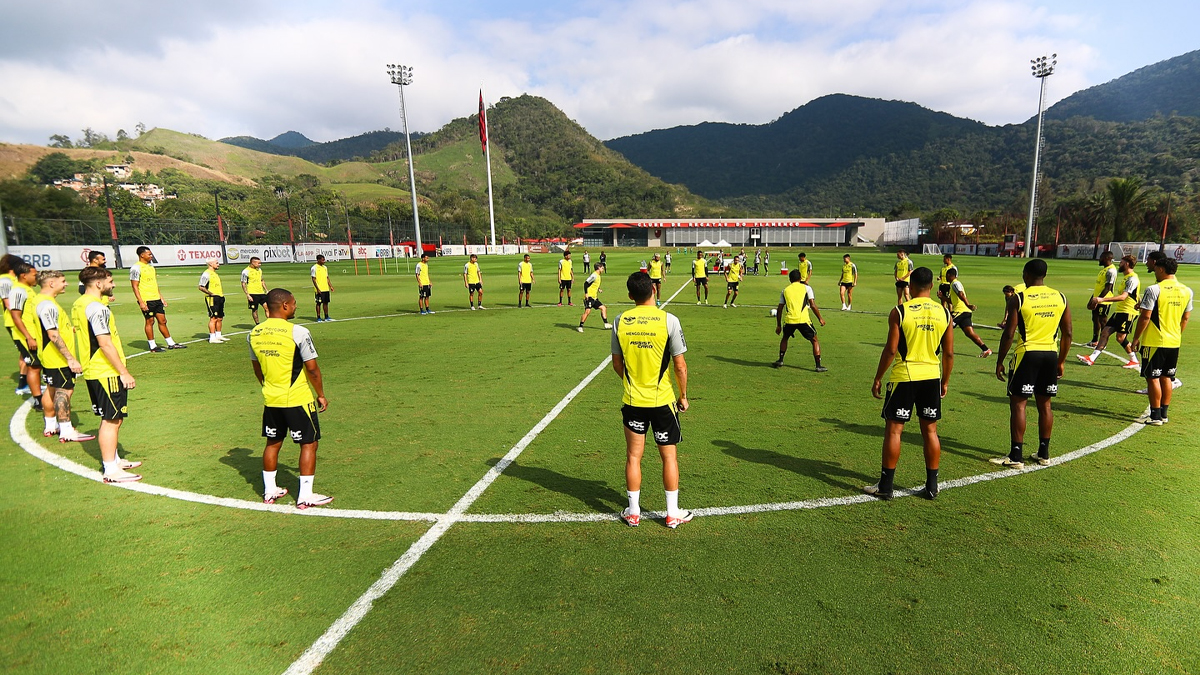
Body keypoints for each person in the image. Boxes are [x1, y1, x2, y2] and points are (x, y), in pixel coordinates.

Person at [611, 272, 691, 528]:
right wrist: (683, 396)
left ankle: (633, 512)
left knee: (633, 457)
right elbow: (680, 366)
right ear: (655, 290)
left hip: (633, 400)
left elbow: (616, 363)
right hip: (662, 402)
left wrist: (632, 383)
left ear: (630, 296)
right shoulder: (669, 321)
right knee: (669, 458)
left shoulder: (619, 321)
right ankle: (672, 513)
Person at [867, 267, 952, 500]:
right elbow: (949, 353)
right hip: (932, 377)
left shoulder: (900, 311)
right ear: (932, 287)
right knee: (930, 431)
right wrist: (944, 381)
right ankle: (932, 486)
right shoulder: (945, 313)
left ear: (910, 287)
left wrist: (877, 377)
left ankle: (886, 486)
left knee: (895, 430)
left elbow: (892, 349)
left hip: (905, 376)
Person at [248, 288, 331, 508]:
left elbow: (257, 369)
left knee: (273, 443)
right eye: (293, 303)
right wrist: (320, 394)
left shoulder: (254, 333)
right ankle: (305, 496)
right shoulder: (298, 332)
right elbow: (312, 369)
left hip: (271, 398)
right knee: (309, 443)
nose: (295, 307)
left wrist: (268, 387)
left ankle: (269, 491)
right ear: (284, 305)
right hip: (297, 399)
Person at [991, 259, 1071, 468]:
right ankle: (1044, 453)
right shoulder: (1060, 297)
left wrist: (999, 361)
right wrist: (1061, 361)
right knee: (1045, 405)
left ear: (1026, 274)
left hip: (1027, 354)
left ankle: (1016, 455)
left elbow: (1009, 334)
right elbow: (1068, 333)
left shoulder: (1019, 298)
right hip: (1050, 354)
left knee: (1019, 404)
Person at [73, 266, 141, 482]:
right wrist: (123, 372)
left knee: (114, 418)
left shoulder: (79, 304)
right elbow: (104, 343)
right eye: (110, 281)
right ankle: (110, 469)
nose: (113, 285)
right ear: (99, 284)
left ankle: (115, 459)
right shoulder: (97, 308)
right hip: (106, 371)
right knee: (111, 419)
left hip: (94, 369)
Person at [34, 270, 96, 443]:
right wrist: (70, 358)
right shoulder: (48, 305)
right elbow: (53, 334)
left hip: (47, 356)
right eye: (62, 281)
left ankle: (50, 425)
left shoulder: (39, 301)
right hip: (57, 358)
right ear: (51, 283)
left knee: (51, 389)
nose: (66, 284)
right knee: (64, 390)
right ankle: (67, 430)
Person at [1130, 257, 1192, 425]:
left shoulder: (1154, 289)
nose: (1155, 271)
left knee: (1152, 378)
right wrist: (1176, 334)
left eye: (1156, 269)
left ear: (1162, 269)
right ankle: (1163, 414)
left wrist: (1136, 339)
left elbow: (1145, 317)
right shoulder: (1187, 291)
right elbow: (1185, 318)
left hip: (1154, 341)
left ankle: (1155, 416)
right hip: (1174, 341)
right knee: (1167, 377)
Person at [1079, 254, 1140, 369]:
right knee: (1105, 332)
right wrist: (1140, 302)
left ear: (1127, 264)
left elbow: (1123, 297)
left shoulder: (1132, 278)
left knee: (1120, 338)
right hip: (1120, 311)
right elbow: (1135, 294)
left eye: (1121, 262)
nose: (1119, 264)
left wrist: (1102, 299)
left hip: (1128, 312)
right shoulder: (1127, 278)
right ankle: (1091, 358)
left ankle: (1134, 360)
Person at [9, 262, 48, 411]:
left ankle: (40, 395)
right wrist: (28, 337)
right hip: (27, 337)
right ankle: (38, 400)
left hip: (35, 334)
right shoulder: (18, 291)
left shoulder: (28, 290)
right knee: (34, 366)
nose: (36, 276)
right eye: (34, 274)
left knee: (38, 365)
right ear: (24, 275)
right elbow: (15, 316)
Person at [130, 246, 185, 352]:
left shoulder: (151, 267)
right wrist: (141, 302)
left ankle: (171, 343)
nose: (151, 256)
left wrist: (161, 298)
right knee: (150, 321)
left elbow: (154, 284)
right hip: (146, 299)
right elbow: (134, 286)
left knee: (163, 320)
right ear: (142, 255)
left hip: (156, 299)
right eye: (149, 254)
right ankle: (152, 346)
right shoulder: (136, 268)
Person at [773, 269, 827, 371]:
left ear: (790, 279)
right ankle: (818, 365)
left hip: (789, 320)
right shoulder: (807, 288)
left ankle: (780, 360)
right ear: (800, 278)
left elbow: (779, 309)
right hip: (803, 320)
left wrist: (779, 325)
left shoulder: (785, 290)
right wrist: (820, 318)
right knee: (814, 340)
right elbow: (813, 305)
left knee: (785, 338)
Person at [0, 254, 31, 395]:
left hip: (17, 321)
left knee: (24, 353)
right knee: (27, 353)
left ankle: (24, 383)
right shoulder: (5, 281)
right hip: (14, 322)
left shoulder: (11, 280)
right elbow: (8, 303)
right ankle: (23, 384)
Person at [945, 268, 992, 357]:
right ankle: (986, 349)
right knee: (969, 333)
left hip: (960, 311)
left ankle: (936, 349)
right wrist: (942, 298)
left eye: (946, 276)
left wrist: (968, 304)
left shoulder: (955, 283)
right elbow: (953, 300)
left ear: (949, 275)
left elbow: (961, 294)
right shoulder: (953, 284)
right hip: (965, 312)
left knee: (945, 326)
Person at [1086, 251, 1118, 347]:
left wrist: (1099, 299)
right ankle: (1095, 340)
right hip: (1097, 298)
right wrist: (1092, 299)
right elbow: (1099, 286)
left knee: (1103, 320)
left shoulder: (1111, 271)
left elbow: (1108, 287)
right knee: (1095, 319)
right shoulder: (1103, 270)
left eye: (1101, 257)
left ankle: (1103, 342)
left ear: (1107, 258)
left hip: (1104, 301)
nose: (1099, 259)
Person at [199, 258, 228, 343]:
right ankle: (212, 337)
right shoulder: (206, 274)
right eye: (217, 263)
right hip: (212, 298)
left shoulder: (214, 273)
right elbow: (201, 286)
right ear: (211, 264)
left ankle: (218, 335)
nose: (218, 264)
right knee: (213, 317)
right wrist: (211, 293)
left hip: (220, 297)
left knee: (220, 317)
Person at [577, 263, 612, 332]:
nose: (603, 269)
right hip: (589, 297)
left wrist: (598, 289)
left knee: (603, 308)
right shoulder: (594, 275)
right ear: (598, 268)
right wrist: (586, 293)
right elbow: (586, 283)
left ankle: (606, 323)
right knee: (587, 312)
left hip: (594, 297)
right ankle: (580, 326)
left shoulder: (598, 276)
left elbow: (593, 283)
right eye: (602, 268)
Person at [241, 256, 267, 325]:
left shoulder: (259, 270)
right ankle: (257, 324)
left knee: (267, 307)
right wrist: (247, 295)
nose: (260, 265)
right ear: (252, 263)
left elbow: (262, 280)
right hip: (252, 293)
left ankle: (269, 323)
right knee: (255, 310)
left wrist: (266, 290)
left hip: (261, 293)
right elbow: (243, 283)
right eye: (258, 263)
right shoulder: (246, 271)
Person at [310, 255, 334, 321]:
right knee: (318, 303)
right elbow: (313, 279)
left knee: (326, 303)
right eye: (322, 260)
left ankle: (326, 317)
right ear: (318, 260)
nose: (324, 261)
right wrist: (317, 289)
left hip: (326, 288)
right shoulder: (314, 268)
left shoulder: (325, 268)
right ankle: (318, 317)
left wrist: (330, 286)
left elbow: (327, 278)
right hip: (319, 289)